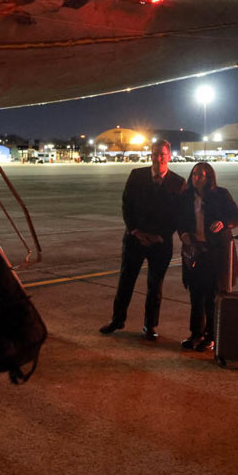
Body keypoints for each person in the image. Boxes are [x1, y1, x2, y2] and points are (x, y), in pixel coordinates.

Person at [99, 140, 185, 341]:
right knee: (125, 281)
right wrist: (135, 231)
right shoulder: (137, 175)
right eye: (155, 153)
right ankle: (117, 320)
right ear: (151, 155)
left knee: (155, 286)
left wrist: (160, 235)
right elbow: (126, 205)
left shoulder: (178, 182)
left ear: (169, 156)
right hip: (135, 239)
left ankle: (150, 325)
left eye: (162, 154)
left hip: (161, 242)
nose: (158, 158)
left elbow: (178, 215)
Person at [176, 161, 238, 351]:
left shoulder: (220, 194)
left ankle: (211, 336)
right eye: (195, 174)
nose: (197, 178)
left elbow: (237, 216)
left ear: (209, 178)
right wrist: (183, 234)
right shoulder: (186, 196)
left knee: (212, 295)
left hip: (216, 251)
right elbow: (180, 220)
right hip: (195, 251)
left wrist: (223, 222)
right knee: (195, 295)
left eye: (201, 175)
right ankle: (195, 334)